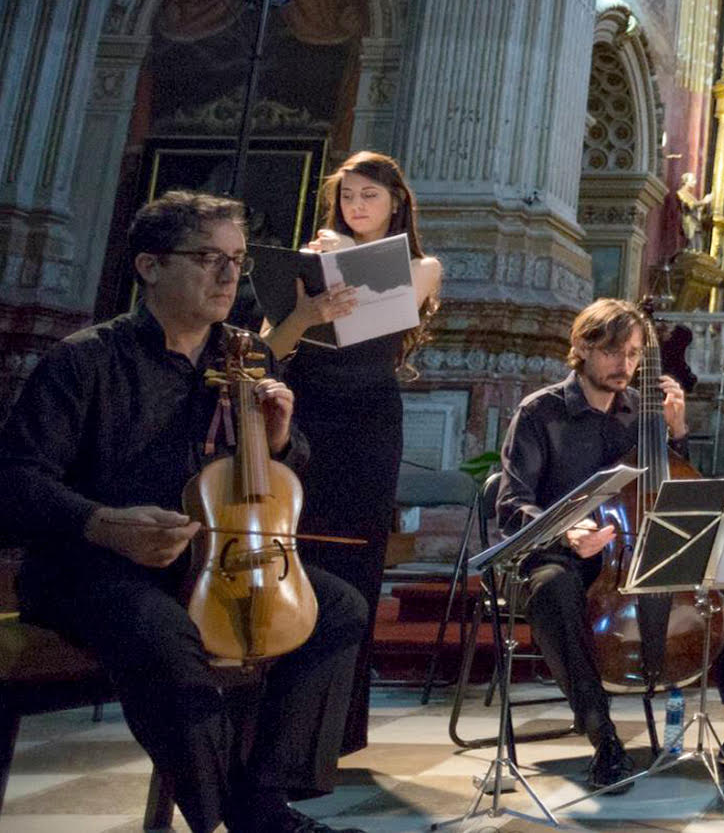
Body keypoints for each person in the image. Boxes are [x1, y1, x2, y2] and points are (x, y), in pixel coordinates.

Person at [0, 191, 367, 833]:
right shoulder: (86, 359)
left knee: (337, 609)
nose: (229, 277)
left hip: (211, 562)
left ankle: (263, 795)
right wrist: (101, 523)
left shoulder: (249, 356)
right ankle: (249, 819)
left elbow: (281, 473)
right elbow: (15, 481)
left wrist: (280, 439)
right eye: (207, 258)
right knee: (166, 634)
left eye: (237, 260)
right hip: (91, 566)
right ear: (149, 265)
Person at [497, 299, 724, 788]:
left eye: (634, 354)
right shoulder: (540, 412)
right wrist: (567, 531)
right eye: (613, 352)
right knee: (552, 589)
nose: (625, 365)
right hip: (564, 555)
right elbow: (511, 503)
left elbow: (673, 489)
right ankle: (603, 736)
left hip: (638, 554)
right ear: (582, 347)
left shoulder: (641, 411)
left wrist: (677, 432)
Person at [262, 151, 443, 753]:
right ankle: (270, 716)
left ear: (396, 202)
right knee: (292, 549)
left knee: (353, 565)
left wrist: (339, 260)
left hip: (366, 419)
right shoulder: (310, 260)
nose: (356, 206)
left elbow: (369, 326)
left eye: (369, 195)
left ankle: (332, 732)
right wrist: (303, 305)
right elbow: (270, 348)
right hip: (303, 411)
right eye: (347, 196)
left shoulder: (422, 267)